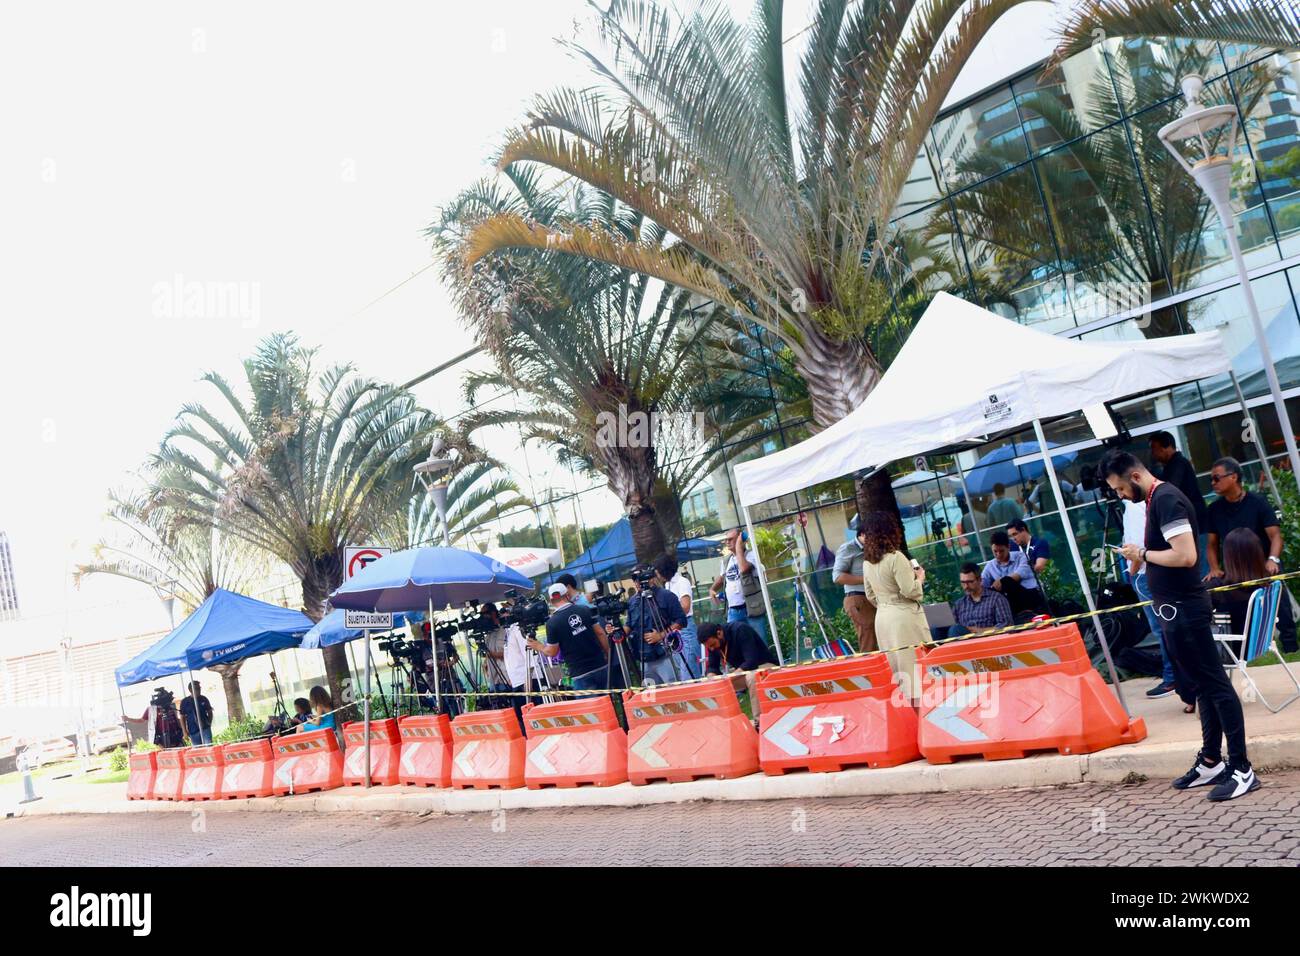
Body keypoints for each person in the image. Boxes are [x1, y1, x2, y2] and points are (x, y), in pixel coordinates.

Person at [1103, 448, 1258, 801]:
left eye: (1120, 489)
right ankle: (1210, 760)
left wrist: (1141, 555)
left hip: (1186, 609)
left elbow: (1186, 554)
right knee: (1202, 686)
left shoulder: (1167, 499)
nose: (1120, 495)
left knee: (1216, 685)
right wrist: (1140, 559)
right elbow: (1168, 550)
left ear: (1136, 477)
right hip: (1175, 610)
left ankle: (1242, 768)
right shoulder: (1155, 500)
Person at [1205, 457, 1296, 652]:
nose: (1213, 483)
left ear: (1233, 477)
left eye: (1216, 478)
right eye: (1211, 479)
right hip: (1234, 570)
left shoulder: (1258, 502)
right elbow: (1211, 544)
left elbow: (1276, 536)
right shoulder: (1214, 509)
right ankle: (1239, 649)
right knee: (1223, 599)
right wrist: (1214, 568)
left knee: (1281, 601)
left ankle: (1291, 647)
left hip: (1262, 565)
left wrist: (1272, 559)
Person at [859, 512, 932, 701]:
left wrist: (885, 604)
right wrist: (920, 578)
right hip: (903, 617)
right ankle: (926, 720)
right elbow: (910, 590)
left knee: (900, 673)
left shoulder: (867, 562)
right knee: (917, 671)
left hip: (883, 618)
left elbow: (870, 595)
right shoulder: (896, 557)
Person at [1123, 498, 1188, 707]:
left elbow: (1137, 544)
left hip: (1144, 573)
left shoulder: (1134, 507)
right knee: (1167, 627)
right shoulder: (1149, 502)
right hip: (1154, 571)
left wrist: (1133, 572)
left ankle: (1173, 678)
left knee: (1161, 629)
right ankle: (1178, 677)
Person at [528, 582, 613, 695]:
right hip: (600, 665)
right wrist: (608, 654)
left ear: (551, 600)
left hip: (580, 673)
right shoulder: (584, 609)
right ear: (567, 595)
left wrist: (538, 646)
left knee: (590, 710)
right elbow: (600, 633)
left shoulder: (552, 623)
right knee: (608, 703)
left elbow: (552, 652)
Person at [1149, 430, 1210, 577]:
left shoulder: (1179, 463)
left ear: (1166, 447)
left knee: (1200, 565)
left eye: (1155, 449)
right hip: (1189, 522)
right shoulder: (1172, 465)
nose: (1153, 454)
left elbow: (1171, 488)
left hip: (1196, 523)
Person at [626, 565, 690, 685]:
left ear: (650, 577)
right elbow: (629, 624)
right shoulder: (633, 601)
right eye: (634, 578)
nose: (637, 582)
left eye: (639, 577)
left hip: (665, 655)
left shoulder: (666, 596)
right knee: (653, 698)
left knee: (674, 693)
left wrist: (661, 635)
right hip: (644, 658)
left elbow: (681, 621)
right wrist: (616, 630)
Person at [699, 619, 778, 705]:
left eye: (713, 645)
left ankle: (758, 718)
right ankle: (722, 717)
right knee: (708, 684)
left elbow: (751, 662)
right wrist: (711, 677)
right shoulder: (712, 643)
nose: (711, 649)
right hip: (743, 672)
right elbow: (712, 667)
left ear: (719, 633)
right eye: (709, 647)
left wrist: (728, 677)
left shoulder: (740, 630)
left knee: (752, 677)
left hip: (765, 666)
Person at [709, 528, 768, 641]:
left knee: (759, 642)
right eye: (726, 540)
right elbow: (722, 577)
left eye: (731, 539)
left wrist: (739, 548)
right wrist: (712, 589)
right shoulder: (727, 560)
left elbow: (743, 568)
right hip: (733, 610)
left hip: (751, 608)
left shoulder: (750, 555)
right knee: (734, 643)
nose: (727, 542)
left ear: (741, 539)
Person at [1212, 528, 1271, 642]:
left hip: (1233, 649)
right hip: (1258, 644)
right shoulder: (1269, 585)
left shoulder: (1219, 589)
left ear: (1228, 555)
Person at [832, 520, 877, 653]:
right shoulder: (848, 548)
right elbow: (837, 577)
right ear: (863, 534)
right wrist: (868, 579)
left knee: (879, 638)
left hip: (872, 597)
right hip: (859, 598)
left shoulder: (872, 548)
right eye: (874, 536)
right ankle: (869, 672)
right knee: (869, 642)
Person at [982, 530, 1046, 617]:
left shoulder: (1021, 556)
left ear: (1008, 547)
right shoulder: (990, 565)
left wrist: (1000, 581)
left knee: (1007, 582)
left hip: (1030, 595)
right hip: (1010, 601)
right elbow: (982, 583)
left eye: (1001, 551)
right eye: (995, 552)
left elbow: (1020, 574)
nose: (998, 554)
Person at [656, 554, 701, 678]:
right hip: (674, 631)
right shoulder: (667, 585)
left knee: (688, 669)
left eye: (658, 572)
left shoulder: (682, 582)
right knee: (681, 668)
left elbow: (685, 607)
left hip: (685, 627)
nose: (657, 575)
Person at [950, 562, 1013, 636]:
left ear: (980, 580)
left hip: (988, 639)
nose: (966, 586)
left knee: (955, 630)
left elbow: (1007, 625)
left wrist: (981, 630)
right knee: (936, 630)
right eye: (963, 582)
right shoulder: (959, 604)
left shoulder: (996, 599)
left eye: (970, 582)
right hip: (964, 639)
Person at [179, 681, 213, 746]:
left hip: (205, 728)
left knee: (209, 747)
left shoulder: (204, 699)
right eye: (197, 688)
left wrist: (209, 722)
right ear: (190, 690)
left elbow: (210, 711)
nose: (199, 690)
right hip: (193, 730)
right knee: (198, 751)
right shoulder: (185, 702)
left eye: (199, 688)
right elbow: (182, 717)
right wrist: (184, 731)